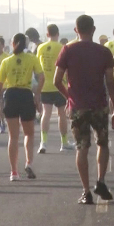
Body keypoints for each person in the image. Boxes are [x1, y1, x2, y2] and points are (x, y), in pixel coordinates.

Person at [54, 14, 114, 204]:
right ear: (93, 30)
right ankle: (100, 180)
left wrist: (69, 97)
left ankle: (85, 191)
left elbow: (56, 81)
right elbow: (110, 81)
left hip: (78, 107)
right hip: (99, 105)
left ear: (76, 30)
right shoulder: (103, 52)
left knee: (82, 147)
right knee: (103, 143)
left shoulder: (68, 50)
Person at [0, 33, 44, 181]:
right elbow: (41, 77)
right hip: (26, 95)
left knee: (13, 136)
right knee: (29, 134)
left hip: (11, 96)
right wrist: (38, 94)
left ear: (12, 43)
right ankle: (29, 162)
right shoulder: (32, 59)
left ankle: (14, 172)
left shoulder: (6, 61)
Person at [37, 24, 72, 153]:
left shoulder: (40, 48)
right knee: (61, 113)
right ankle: (64, 142)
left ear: (47, 34)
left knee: (46, 113)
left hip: (45, 85)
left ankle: (43, 143)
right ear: (58, 33)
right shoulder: (62, 47)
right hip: (59, 85)